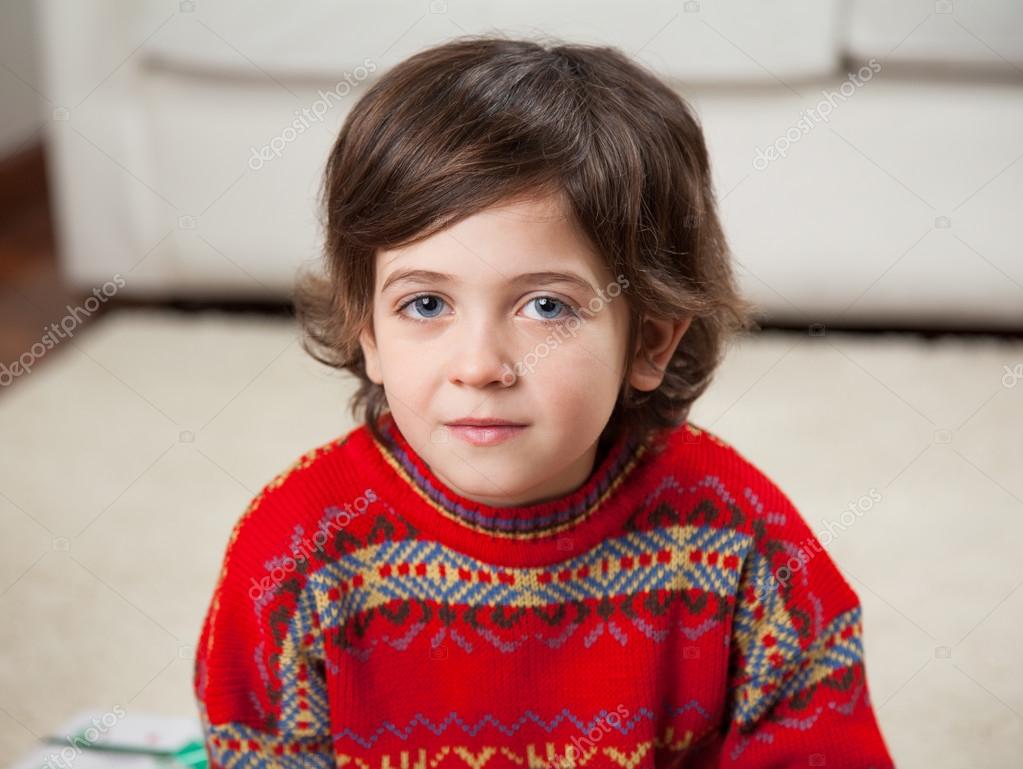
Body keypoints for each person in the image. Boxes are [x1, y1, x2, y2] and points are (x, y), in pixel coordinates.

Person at [193, 35, 896, 768]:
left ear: (649, 340)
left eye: (546, 307)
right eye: (426, 303)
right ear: (367, 329)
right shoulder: (294, 553)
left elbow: (821, 742)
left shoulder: (736, 537)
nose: (481, 365)